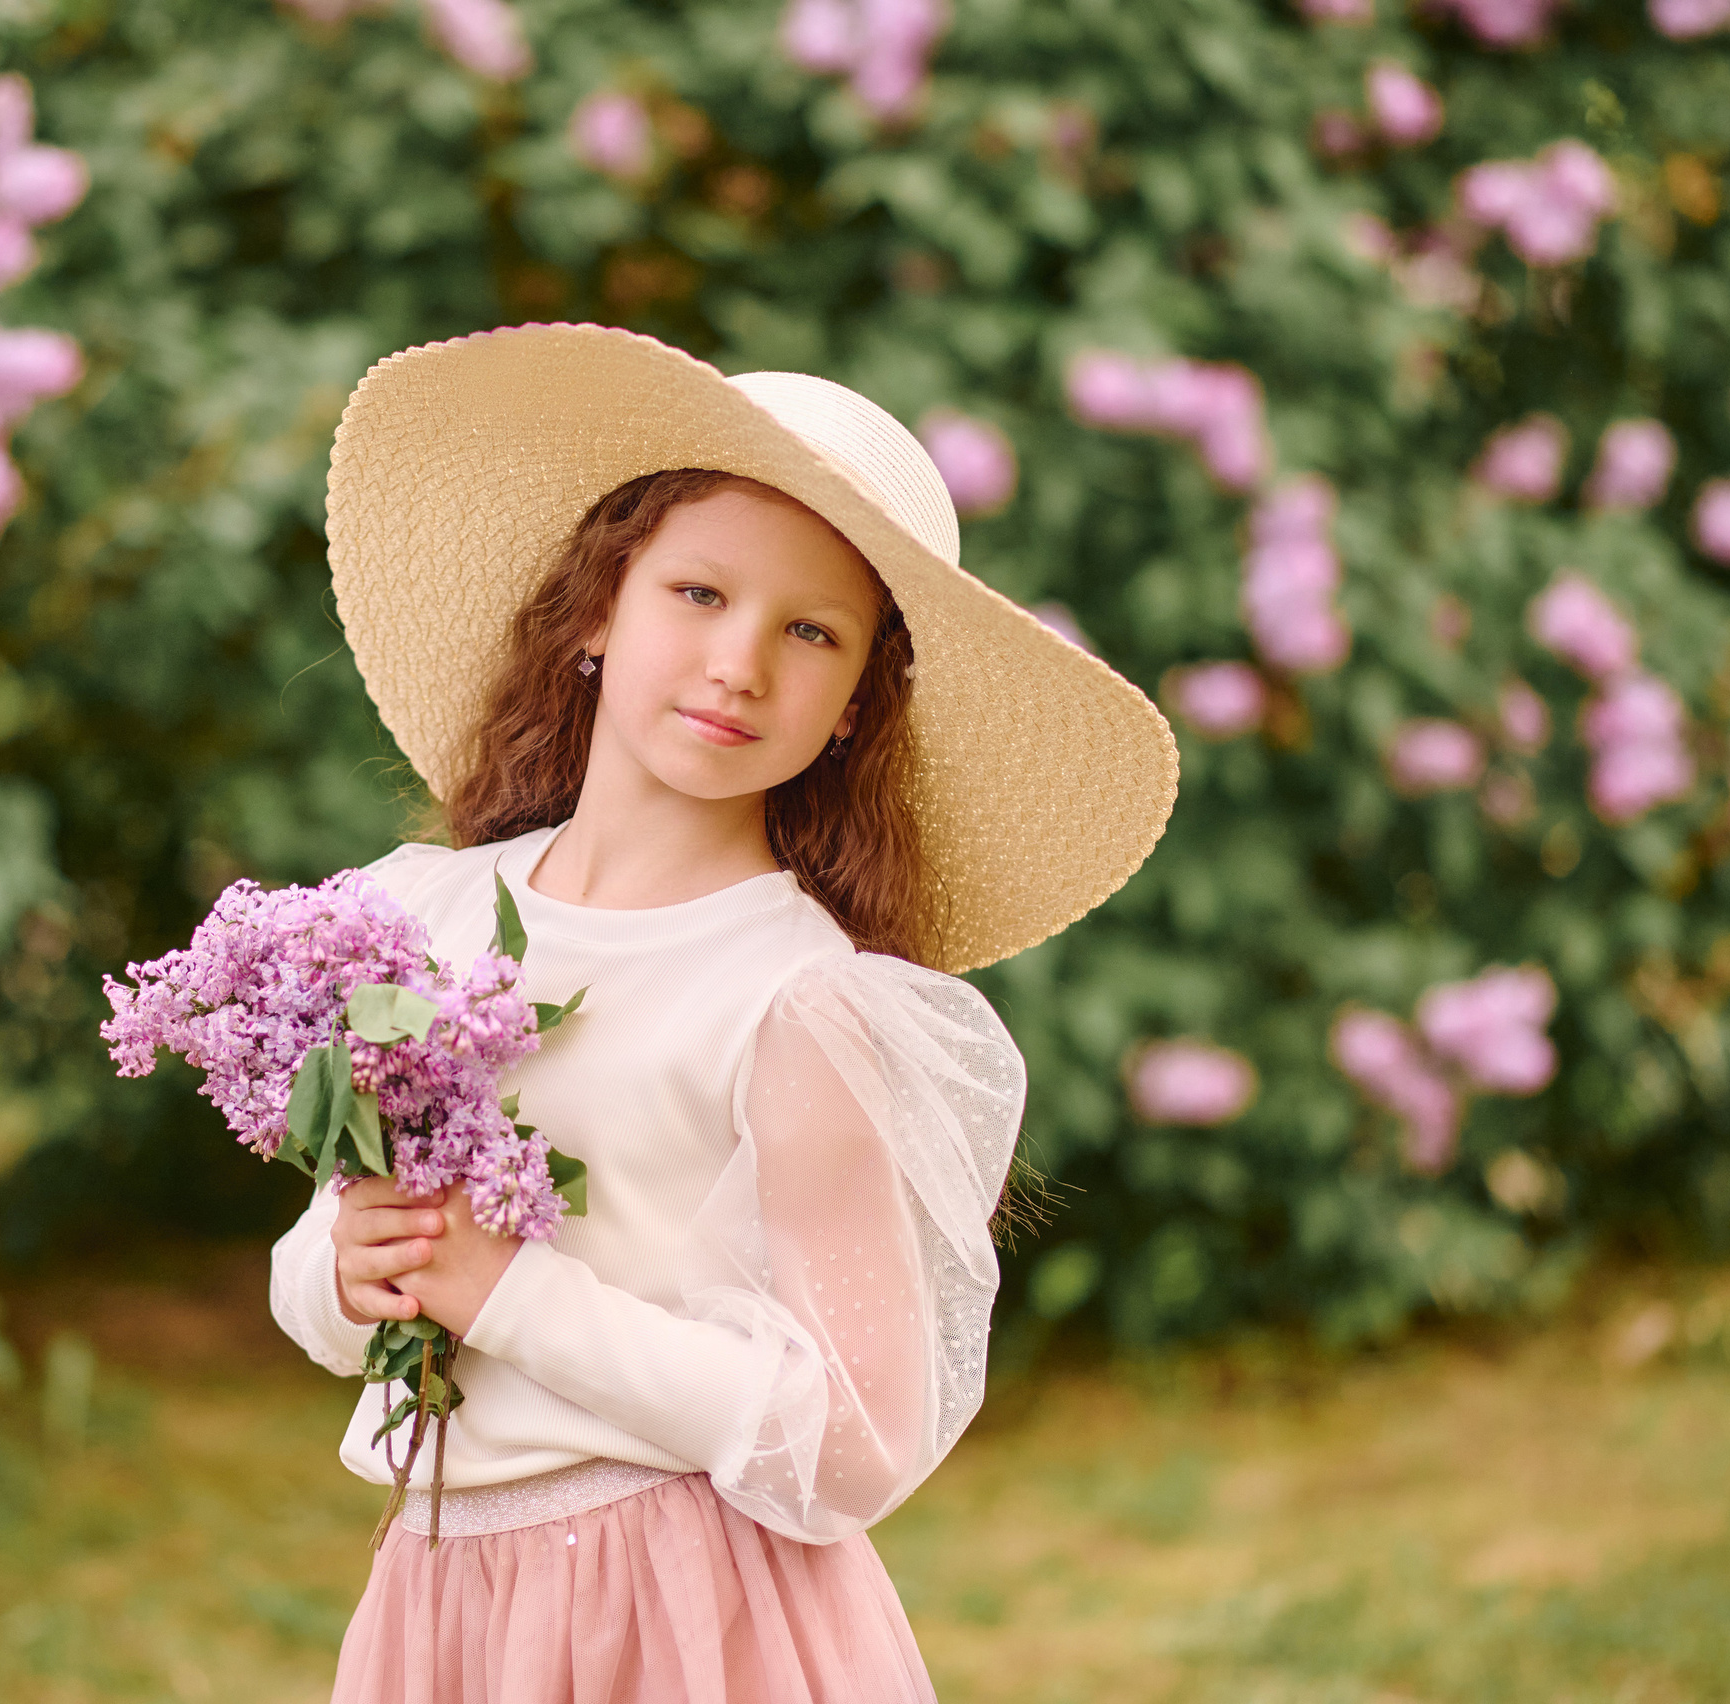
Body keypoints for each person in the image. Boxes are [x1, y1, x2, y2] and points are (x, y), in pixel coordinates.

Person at [268, 322, 1178, 1702]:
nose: (739, 663)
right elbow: (324, 1275)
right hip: (443, 1600)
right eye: (698, 593)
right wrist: (345, 1270)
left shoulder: (796, 1001)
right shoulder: (421, 916)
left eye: (811, 631)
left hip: (685, 1610)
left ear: (857, 703)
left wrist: (515, 1297)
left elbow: (852, 1440)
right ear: (597, 608)